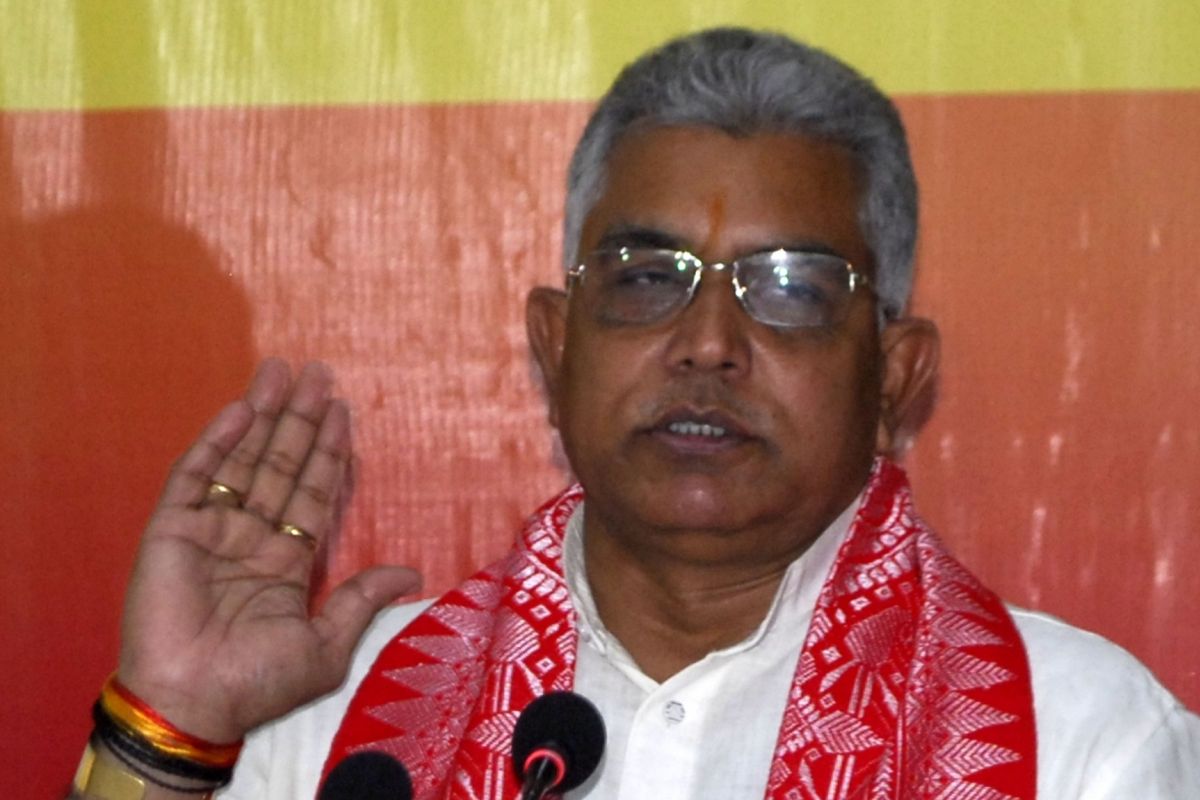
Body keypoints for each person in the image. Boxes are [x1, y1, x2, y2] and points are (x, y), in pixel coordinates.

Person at [71, 28, 1199, 800]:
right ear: (556, 346)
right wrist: (168, 727)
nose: (708, 341)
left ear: (897, 377)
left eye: (791, 287)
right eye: (648, 276)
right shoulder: (341, 717)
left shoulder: (1082, 741)